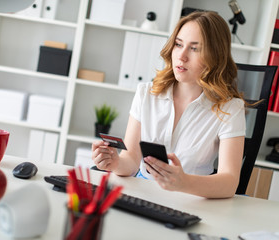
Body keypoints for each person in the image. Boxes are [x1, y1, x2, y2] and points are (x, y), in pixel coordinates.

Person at [91, 11, 246, 199]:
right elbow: (131, 160)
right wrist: (114, 162)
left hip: (194, 198)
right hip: (142, 193)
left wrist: (184, 182)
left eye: (194, 49)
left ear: (215, 56)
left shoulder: (231, 108)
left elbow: (229, 182)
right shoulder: (146, 94)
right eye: (179, 44)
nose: (181, 56)